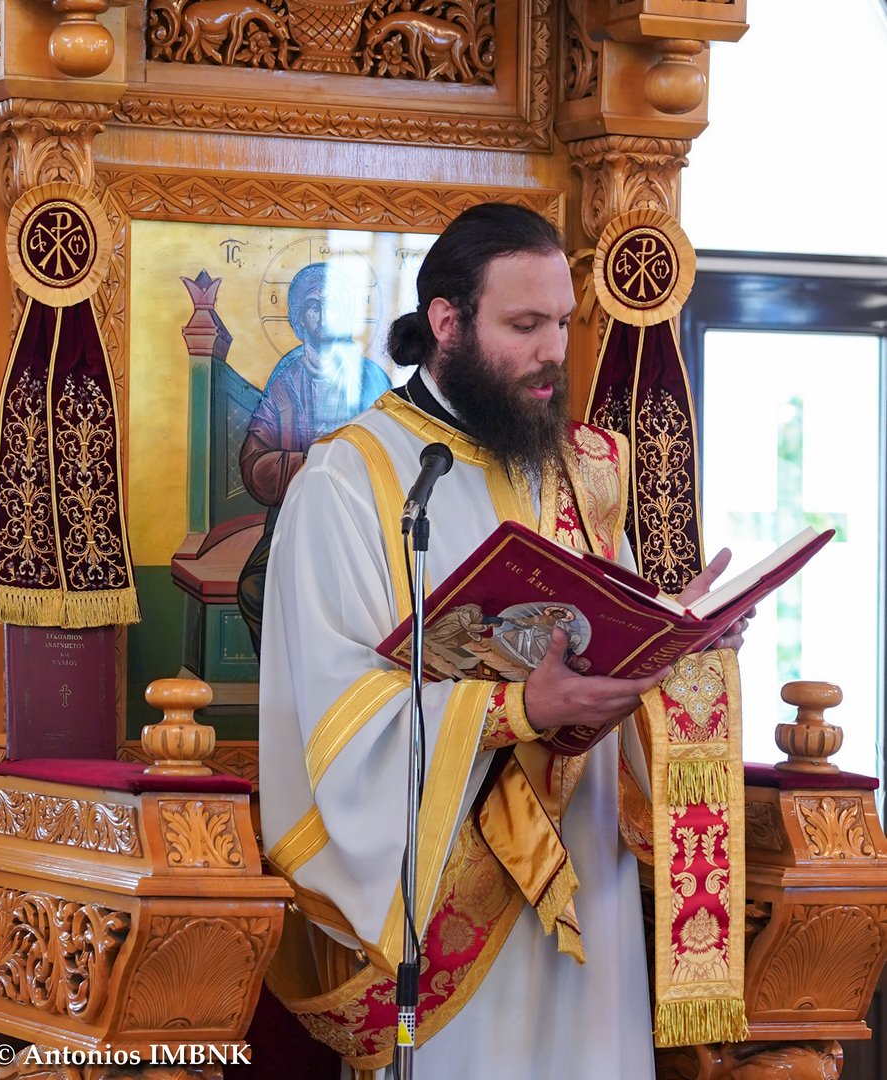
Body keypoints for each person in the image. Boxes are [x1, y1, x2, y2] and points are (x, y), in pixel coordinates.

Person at [259, 203, 749, 1077]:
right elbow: (336, 714)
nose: (552, 351)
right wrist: (518, 708)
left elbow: (614, 633)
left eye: (561, 323)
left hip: (588, 872)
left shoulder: (583, 470)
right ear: (447, 322)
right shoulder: (353, 479)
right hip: (447, 891)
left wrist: (680, 638)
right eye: (524, 326)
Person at [237, 261, 391, 654]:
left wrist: (348, 463)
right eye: (313, 305)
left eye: (333, 304)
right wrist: (314, 461)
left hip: (364, 516)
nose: (323, 314)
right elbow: (255, 461)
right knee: (255, 588)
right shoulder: (286, 381)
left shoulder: (371, 379)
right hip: (296, 513)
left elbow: (395, 449)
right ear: (298, 318)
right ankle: (287, 676)